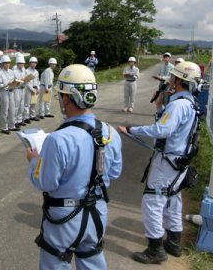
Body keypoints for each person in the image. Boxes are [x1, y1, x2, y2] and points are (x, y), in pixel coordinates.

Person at [26, 64, 122, 269]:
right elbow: (114, 172)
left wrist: (34, 160)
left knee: (55, 262)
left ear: (67, 98)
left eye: (61, 95)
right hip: (97, 212)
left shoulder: (58, 139)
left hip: (64, 217)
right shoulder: (110, 133)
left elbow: (45, 182)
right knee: (92, 261)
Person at [117, 61, 202, 264]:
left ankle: (155, 250)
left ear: (179, 80)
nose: (170, 79)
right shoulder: (190, 103)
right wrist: (159, 107)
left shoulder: (178, 104)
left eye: (173, 77)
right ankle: (173, 243)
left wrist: (131, 130)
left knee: (153, 202)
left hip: (167, 161)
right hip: (180, 161)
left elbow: (161, 130)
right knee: (173, 198)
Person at [0, 55, 17, 134]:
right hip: (4, 92)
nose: (7, 64)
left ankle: (12, 125)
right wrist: (7, 83)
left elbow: (14, 81)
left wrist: (16, 83)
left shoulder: (11, 71)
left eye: (8, 63)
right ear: (2, 64)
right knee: (4, 110)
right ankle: (4, 127)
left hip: (11, 91)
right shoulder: (0, 73)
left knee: (12, 109)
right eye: (5, 63)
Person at [24, 57, 40, 123]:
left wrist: (38, 88)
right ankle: (26, 117)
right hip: (28, 89)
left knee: (33, 103)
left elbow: (38, 80)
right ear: (30, 63)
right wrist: (31, 89)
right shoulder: (26, 71)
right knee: (27, 104)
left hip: (35, 88)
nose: (34, 64)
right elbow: (26, 81)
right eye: (33, 62)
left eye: (35, 62)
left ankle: (32, 116)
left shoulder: (36, 71)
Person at [13, 54, 27, 127]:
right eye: (20, 63)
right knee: (16, 106)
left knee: (21, 105)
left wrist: (25, 80)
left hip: (22, 89)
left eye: (23, 63)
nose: (22, 65)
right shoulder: (14, 71)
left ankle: (20, 120)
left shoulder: (23, 71)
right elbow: (14, 81)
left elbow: (25, 79)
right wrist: (20, 81)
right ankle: (14, 121)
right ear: (17, 63)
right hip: (16, 90)